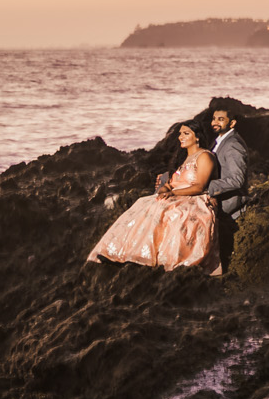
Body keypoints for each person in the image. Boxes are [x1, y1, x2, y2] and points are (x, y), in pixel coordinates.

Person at [86, 122, 221, 274]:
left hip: (194, 198)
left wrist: (173, 193)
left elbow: (199, 186)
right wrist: (165, 188)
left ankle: (152, 260)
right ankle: (124, 253)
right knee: (143, 203)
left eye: (186, 133)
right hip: (176, 195)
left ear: (197, 137)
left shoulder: (205, 156)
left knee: (169, 211)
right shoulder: (184, 159)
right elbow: (173, 184)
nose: (180, 137)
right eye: (180, 133)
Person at [204, 107, 249, 270]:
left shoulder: (233, 145)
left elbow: (237, 180)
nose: (215, 122)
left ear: (232, 122)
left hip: (230, 200)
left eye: (220, 119)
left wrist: (207, 188)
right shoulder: (219, 140)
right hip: (218, 193)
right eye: (214, 118)